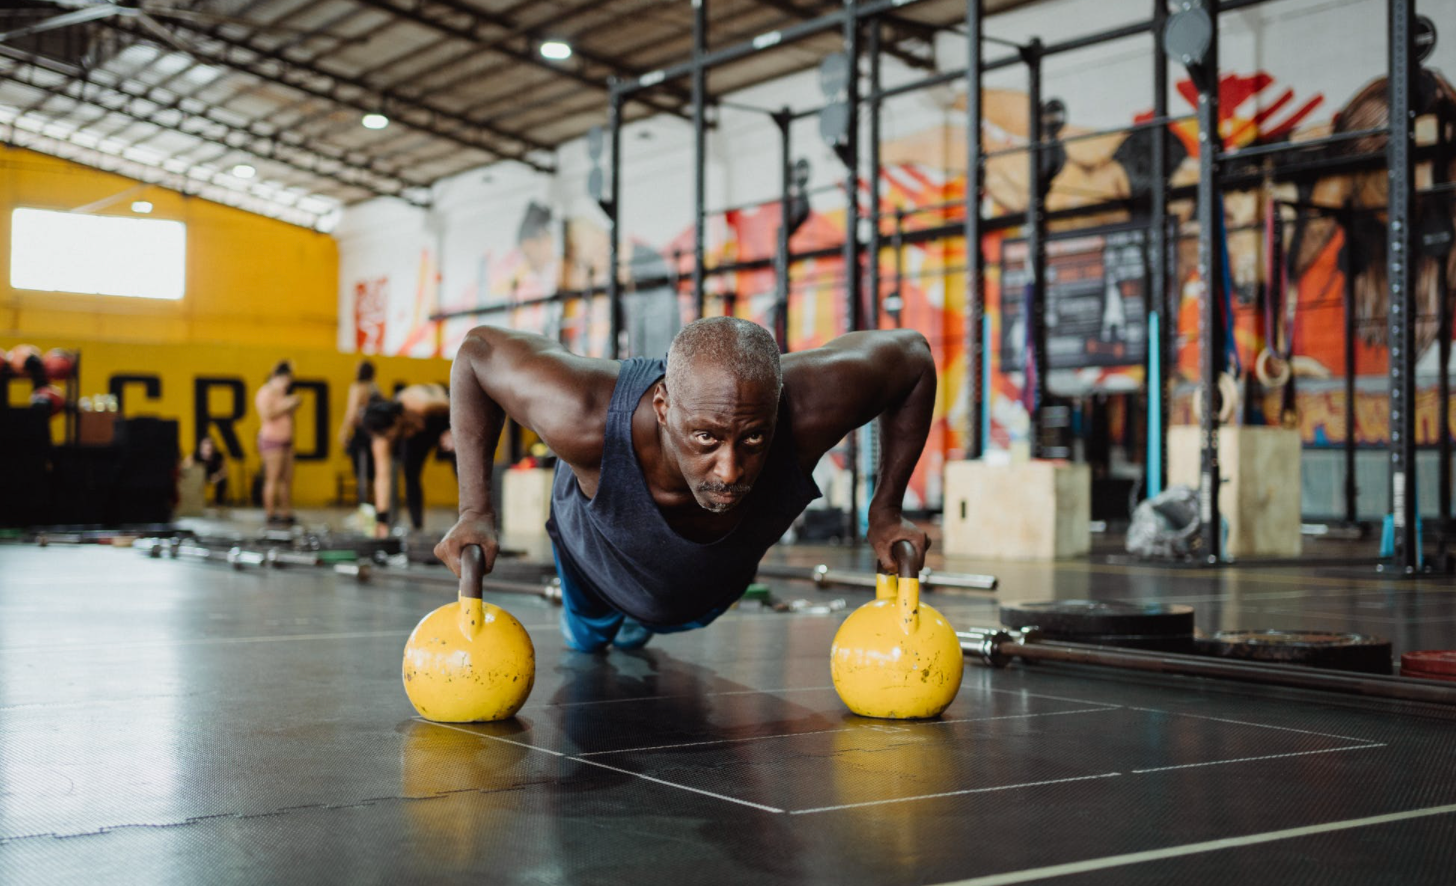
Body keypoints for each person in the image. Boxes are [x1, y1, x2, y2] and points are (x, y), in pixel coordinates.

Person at [434, 316, 935, 653]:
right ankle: (607, 623)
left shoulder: (808, 410)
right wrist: (475, 509)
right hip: (596, 569)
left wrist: (886, 510)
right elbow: (478, 351)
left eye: (754, 437)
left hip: (705, 594)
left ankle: (643, 622)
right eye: (705, 437)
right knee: (590, 643)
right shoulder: (584, 414)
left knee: (655, 623)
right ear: (663, 408)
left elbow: (912, 357)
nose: (730, 471)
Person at [362, 383, 453, 538]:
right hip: (418, 434)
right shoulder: (382, 439)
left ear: (397, 419)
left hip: (447, 416)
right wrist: (381, 520)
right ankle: (417, 527)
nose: (387, 440)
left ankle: (473, 518)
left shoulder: (420, 403)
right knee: (410, 473)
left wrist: (455, 431)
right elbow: (382, 478)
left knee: (462, 464)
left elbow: (461, 404)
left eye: (388, 435)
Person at [255, 360, 300, 526]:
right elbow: (268, 414)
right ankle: (270, 512)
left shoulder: (283, 394)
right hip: (271, 440)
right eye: (286, 379)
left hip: (286, 440)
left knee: (286, 479)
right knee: (272, 477)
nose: (288, 383)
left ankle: (286, 512)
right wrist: (287, 404)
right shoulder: (266, 392)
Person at [338, 360, 381, 508]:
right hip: (375, 433)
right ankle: (376, 505)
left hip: (362, 434)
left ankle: (363, 507)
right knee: (375, 472)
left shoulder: (357, 388)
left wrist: (344, 432)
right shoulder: (375, 388)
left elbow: (351, 414)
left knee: (361, 472)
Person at [187, 436, 229, 504]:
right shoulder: (196, 455)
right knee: (192, 482)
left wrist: (217, 477)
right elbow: (185, 466)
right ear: (201, 447)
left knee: (223, 481)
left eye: (210, 444)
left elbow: (224, 471)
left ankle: (218, 502)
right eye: (206, 444)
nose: (208, 446)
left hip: (214, 476)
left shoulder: (219, 455)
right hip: (200, 476)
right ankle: (194, 502)